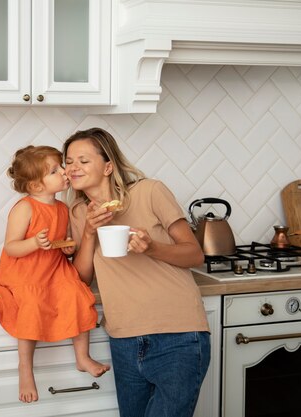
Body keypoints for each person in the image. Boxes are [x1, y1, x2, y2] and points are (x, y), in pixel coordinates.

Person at [62, 127, 210, 417]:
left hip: (178, 334)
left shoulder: (150, 191)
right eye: (68, 161)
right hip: (124, 337)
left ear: (108, 166)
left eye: (83, 160)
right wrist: (90, 232)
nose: (73, 167)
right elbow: (81, 280)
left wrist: (151, 248)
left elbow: (195, 254)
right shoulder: (79, 213)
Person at [0, 145, 110, 403]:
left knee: (77, 294)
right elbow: (11, 246)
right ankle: (25, 368)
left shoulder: (62, 208)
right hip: (25, 272)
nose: (65, 172)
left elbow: (59, 243)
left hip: (53, 268)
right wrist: (34, 243)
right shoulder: (25, 208)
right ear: (35, 186)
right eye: (55, 170)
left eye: (60, 167)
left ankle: (82, 357)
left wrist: (67, 247)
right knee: (31, 305)